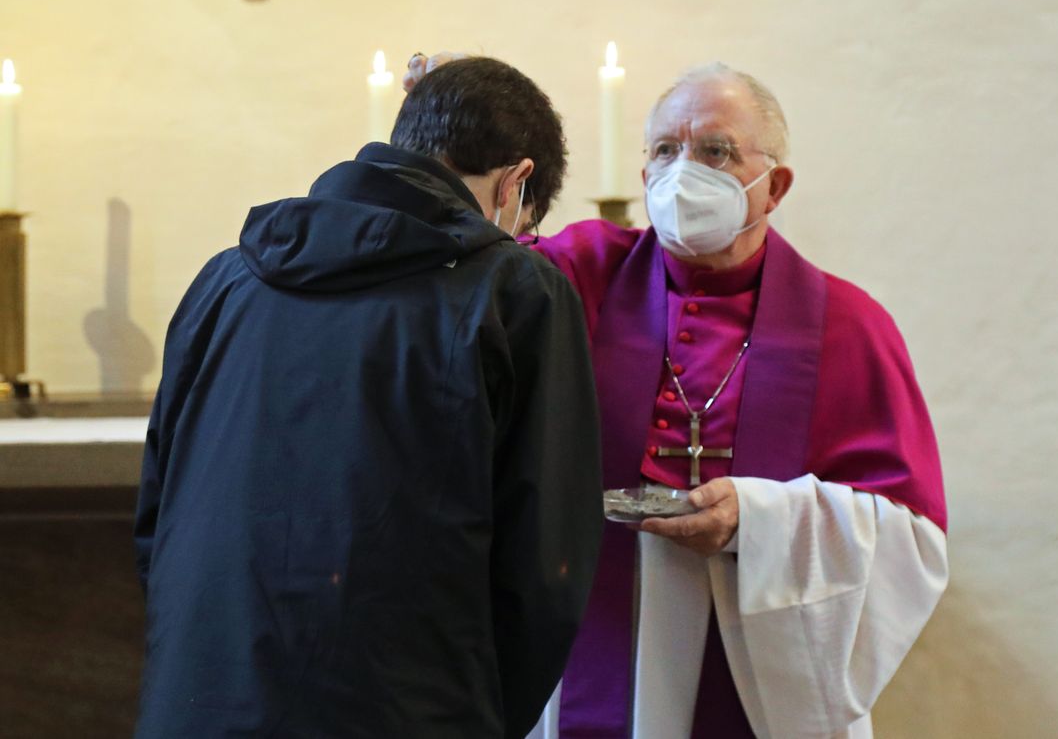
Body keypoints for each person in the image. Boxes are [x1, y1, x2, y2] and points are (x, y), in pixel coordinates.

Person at [405, 55, 949, 738]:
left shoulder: (848, 325)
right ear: (643, 177)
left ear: (773, 185)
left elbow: (911, 538)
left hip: (753, 680)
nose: (683, 170)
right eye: (666, 150)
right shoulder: (578, 274)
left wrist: (757, 518)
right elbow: (465, 283)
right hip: (591, 649)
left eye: (715, 150)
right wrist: (453, 141)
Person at [133, 57, 603, 739]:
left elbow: (157, 513)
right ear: (515, 183)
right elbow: (543, 572)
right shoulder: (513, 289)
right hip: (409, 712)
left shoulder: (224, 280)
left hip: (198, 703)